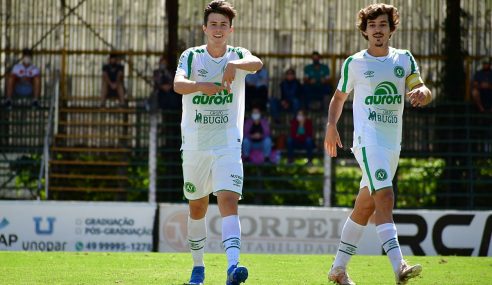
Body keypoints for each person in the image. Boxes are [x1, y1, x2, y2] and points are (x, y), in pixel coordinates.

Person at [324, 3, 432, 285]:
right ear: (365, 31)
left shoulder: (404, 59)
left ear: (391, 28)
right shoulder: (355, 62)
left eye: (382, 25)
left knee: (365, 207)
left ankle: (338, 270)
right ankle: (399, 266)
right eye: (372, 26)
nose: (377, 30)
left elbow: (420, 88)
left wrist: (423, 92)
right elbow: (338, 97)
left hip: (392, 142)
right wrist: (331, 126)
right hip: (366, 140)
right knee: (385, 197)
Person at [173, 1, 262, 284]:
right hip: (196, 144)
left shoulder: (237, 54)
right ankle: (198, 268)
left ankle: (233, 266)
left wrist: (234, 65)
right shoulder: (192, 56)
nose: (218, 29)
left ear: (230, 29)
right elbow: (177, 84)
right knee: (197, 207)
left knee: (228, 200)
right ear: (204, 28)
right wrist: (200, 86)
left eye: (223, 25)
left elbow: (257, 64)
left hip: (227, 143)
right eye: (213, 24)